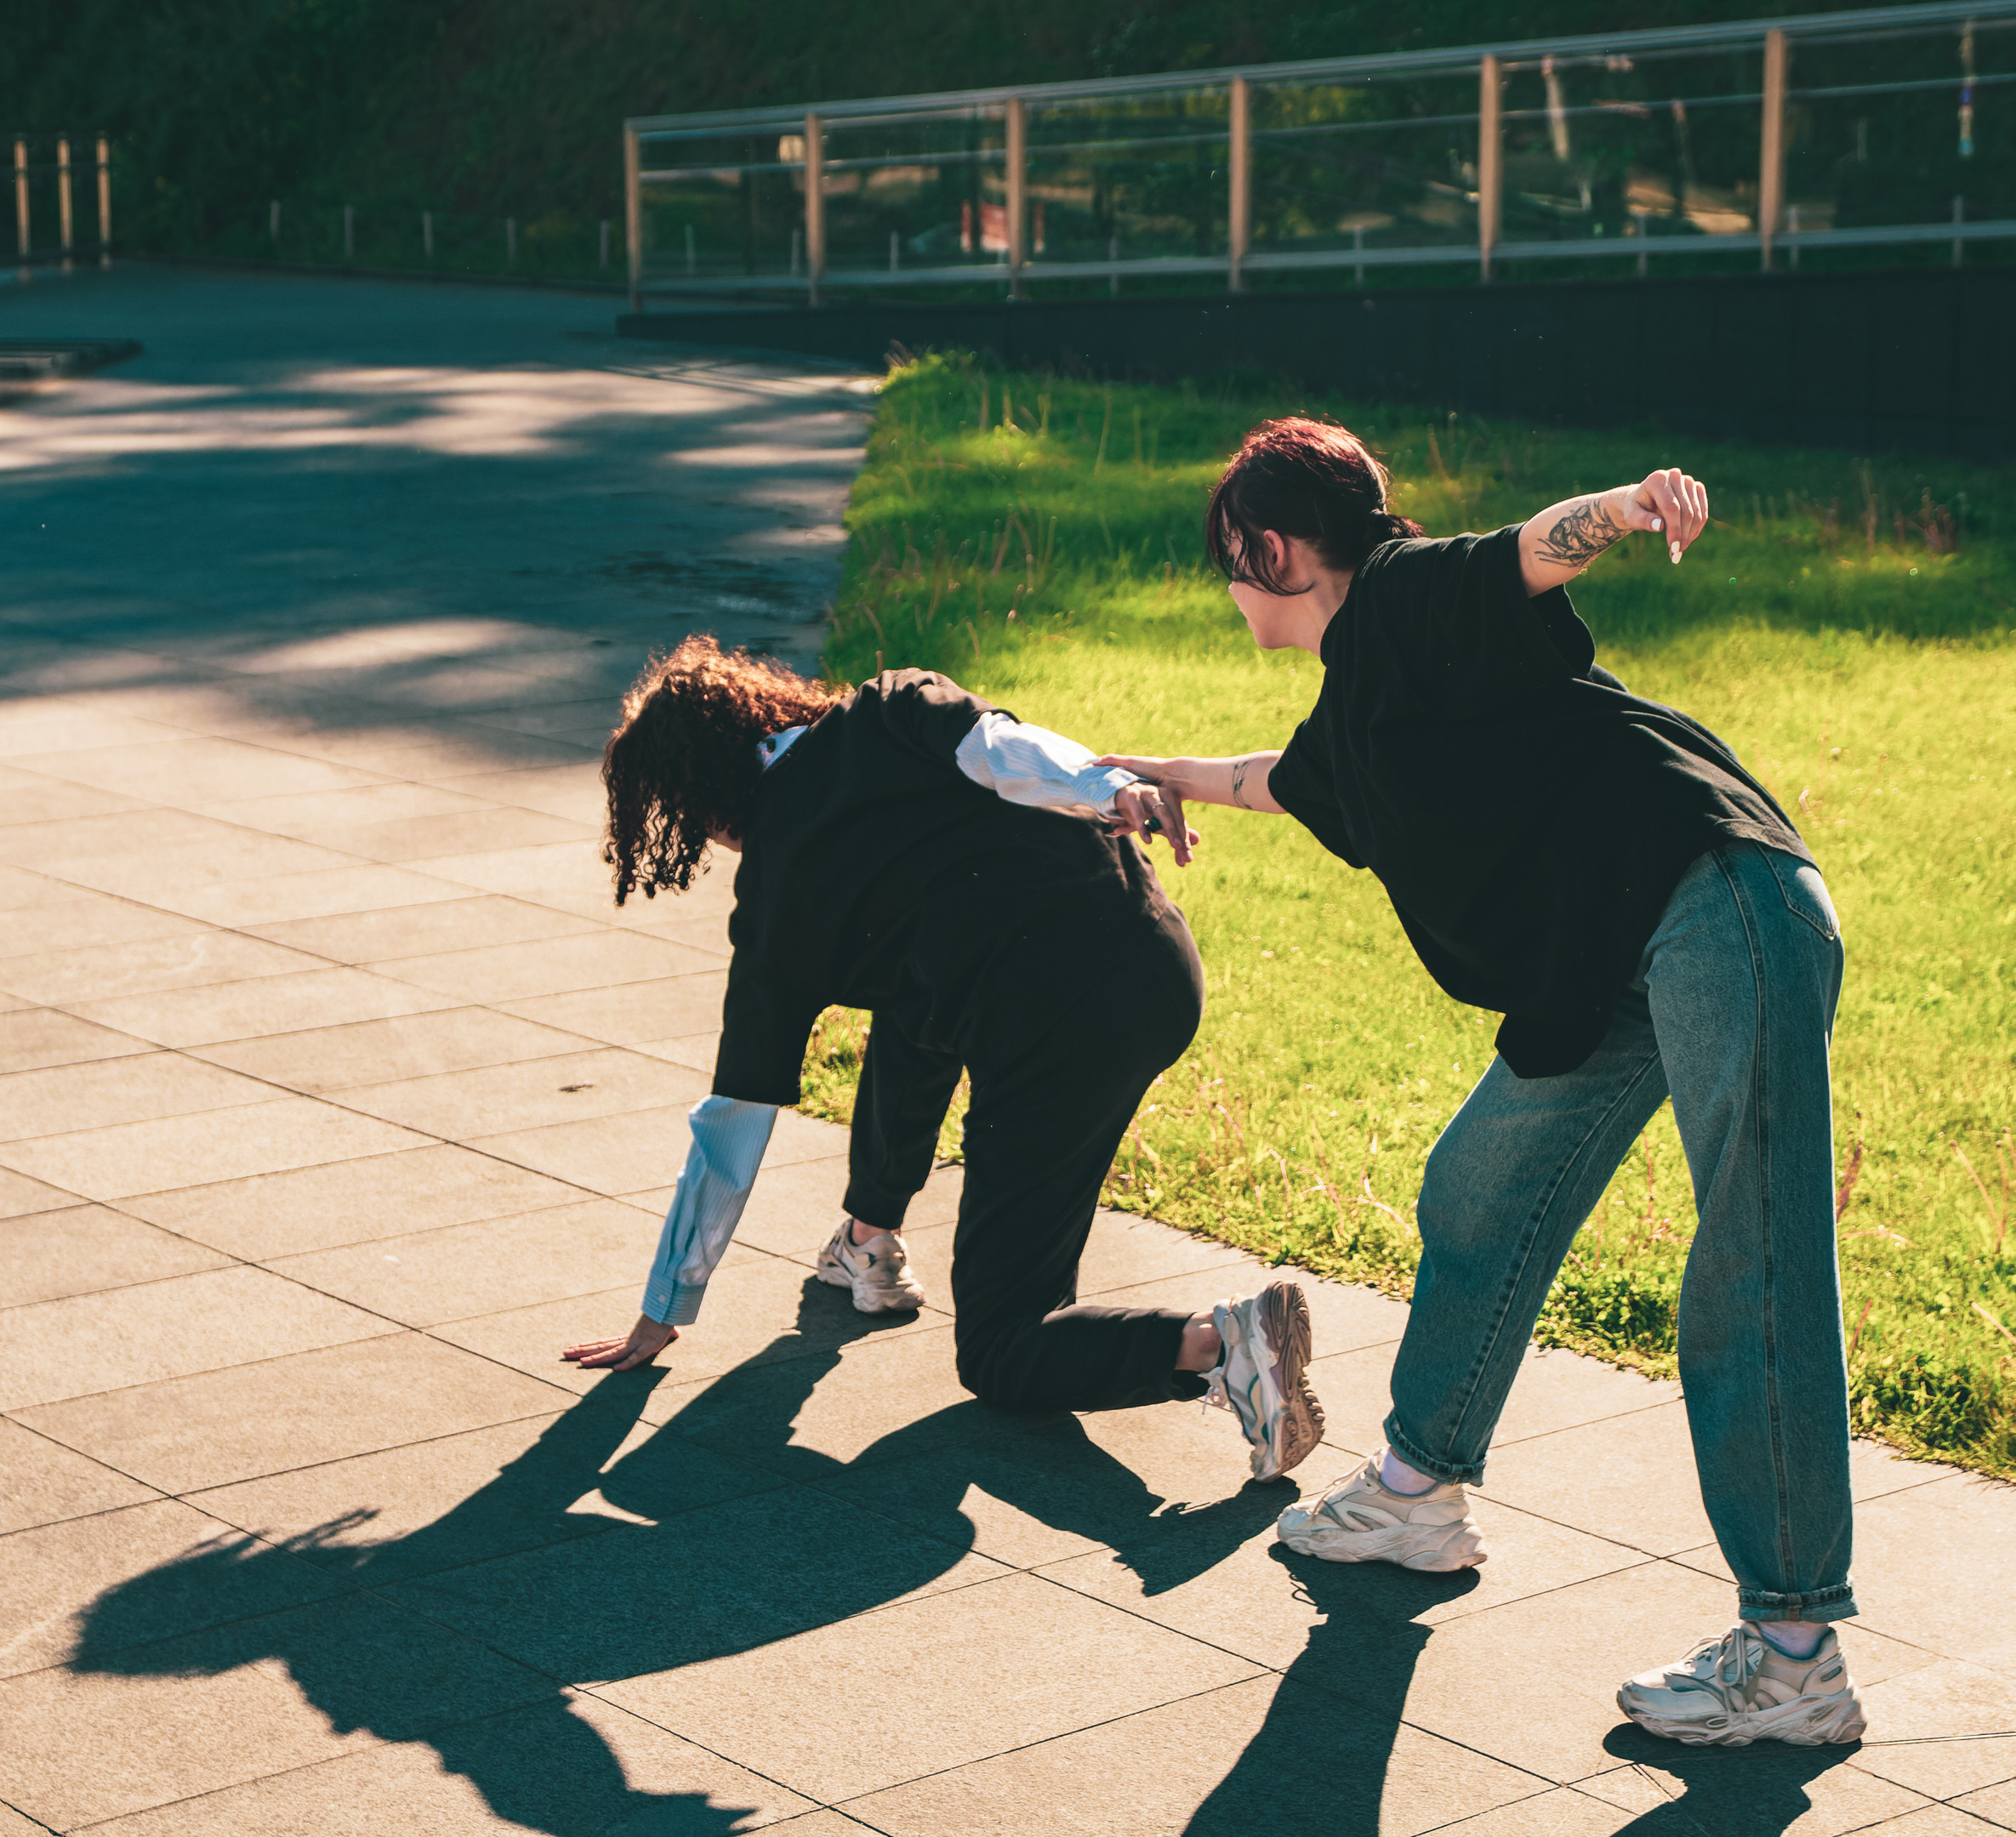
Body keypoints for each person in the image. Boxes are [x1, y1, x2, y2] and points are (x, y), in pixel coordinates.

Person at [1099, 418, 1863, 1749]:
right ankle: (1414, 1495)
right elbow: (1295, 778)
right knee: (1478, 1190)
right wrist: (1164, 777)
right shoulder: (1371, 690)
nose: (1227, 591)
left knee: (1751, 1268)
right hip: (1612, 955)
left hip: (1715, 902)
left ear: (1269, 548)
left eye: (1230, 563)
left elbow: (1518, 556)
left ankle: (1792, 1652)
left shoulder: (1405, 597)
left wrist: (1625, 505)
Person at [561, 635, 1324, 1483]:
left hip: (1060, 1039)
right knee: (916, 1000)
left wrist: (663, 1310)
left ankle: (1226, 1345)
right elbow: (1006, 752)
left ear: (706, 804)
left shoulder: (779, 902)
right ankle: (869, 1238)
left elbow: (733, 1121)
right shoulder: (891, 709)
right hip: (1156, 964)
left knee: (1002, 1352)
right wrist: (1110, 785)